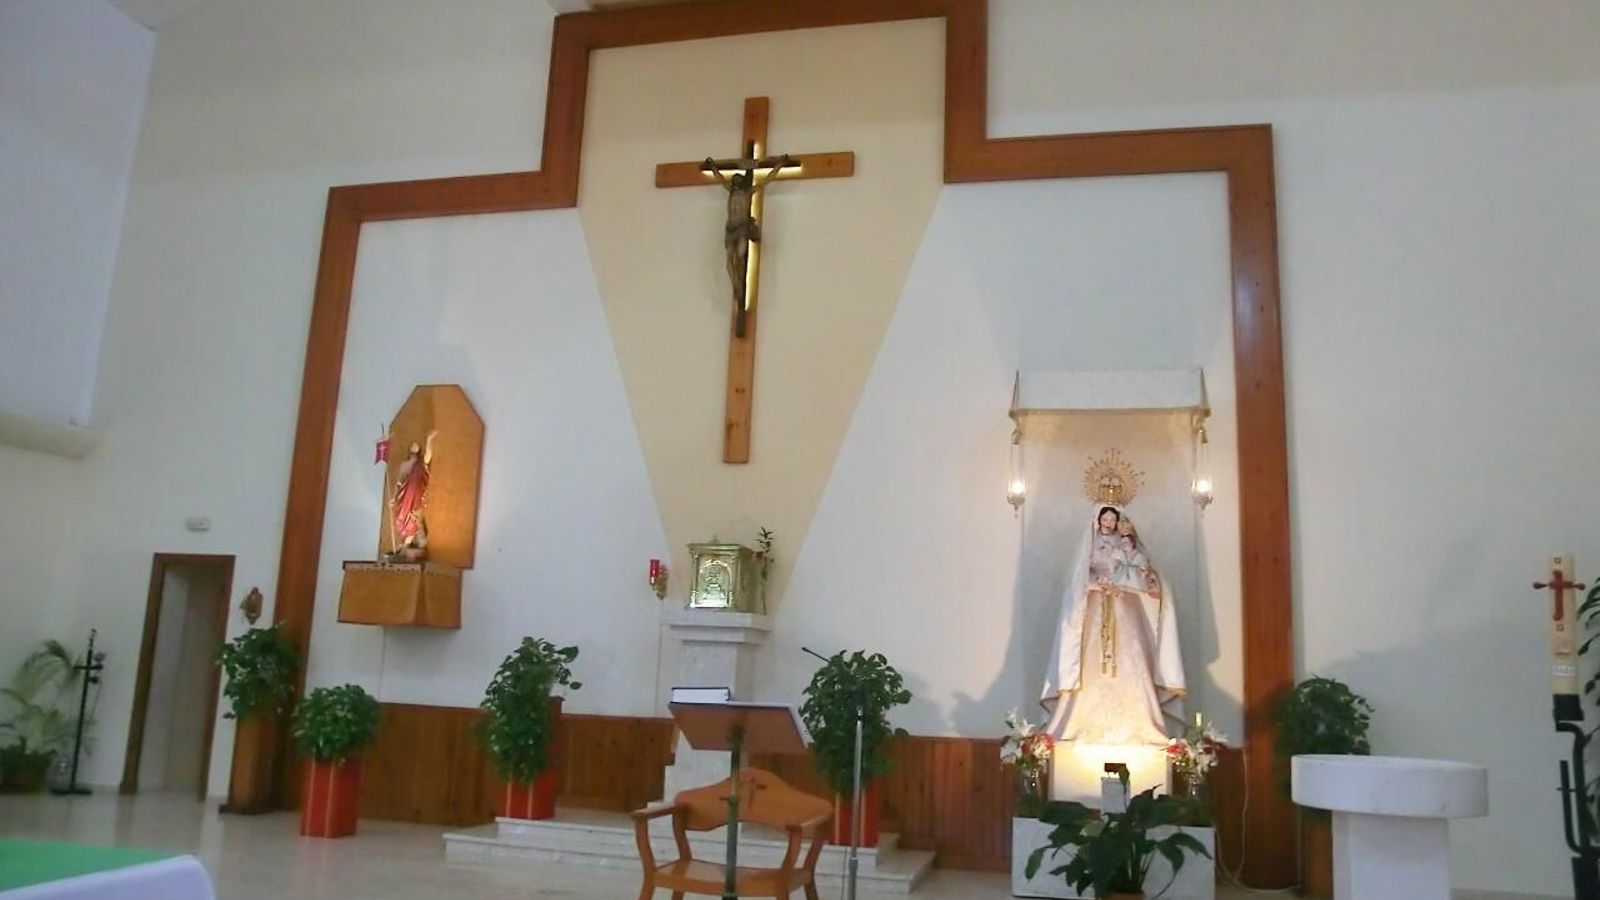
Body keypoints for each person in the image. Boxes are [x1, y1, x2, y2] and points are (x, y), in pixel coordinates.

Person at [1041, 505, 1185, 745]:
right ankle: (1078, 723)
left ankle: (1140, 725)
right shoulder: (1091, 543)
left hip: (1124, 604)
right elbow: (1079, 577)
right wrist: (1097, 582)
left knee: (1132, 656)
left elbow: (1142, 572)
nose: (1108, 521)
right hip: (1096, 604)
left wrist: (1143, 579)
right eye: (1104, 517)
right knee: (1088, 659)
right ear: (1098, 520)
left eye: (1112, 518)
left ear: (1118, 520)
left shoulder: (1127, 543)